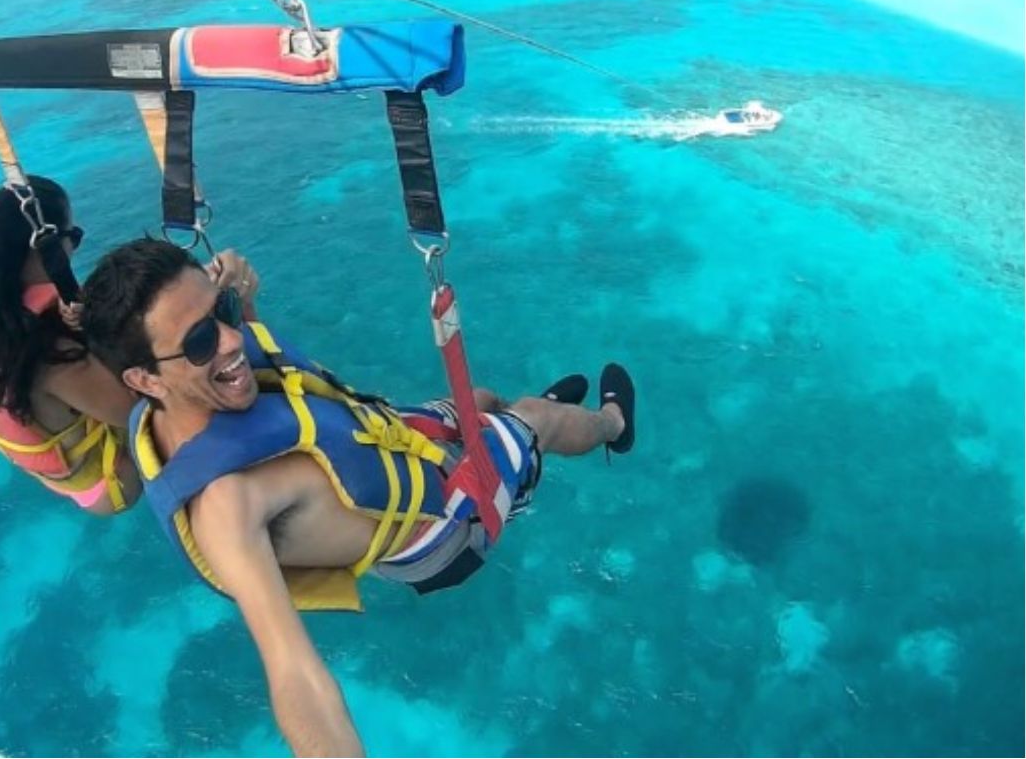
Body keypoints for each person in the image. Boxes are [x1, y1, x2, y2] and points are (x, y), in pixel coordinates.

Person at [80, 237, 636, 754]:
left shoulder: (178, 390)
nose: (231, 341)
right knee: (536, 418)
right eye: (201, 342)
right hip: (443, 525)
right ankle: (606, 425)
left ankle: (515, 428)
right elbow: (294, 673)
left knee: (479, 399)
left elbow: (254, 354)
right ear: (145, 381)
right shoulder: (225, 508)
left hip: (387, 436)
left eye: (221, 314)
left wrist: (241, 300)